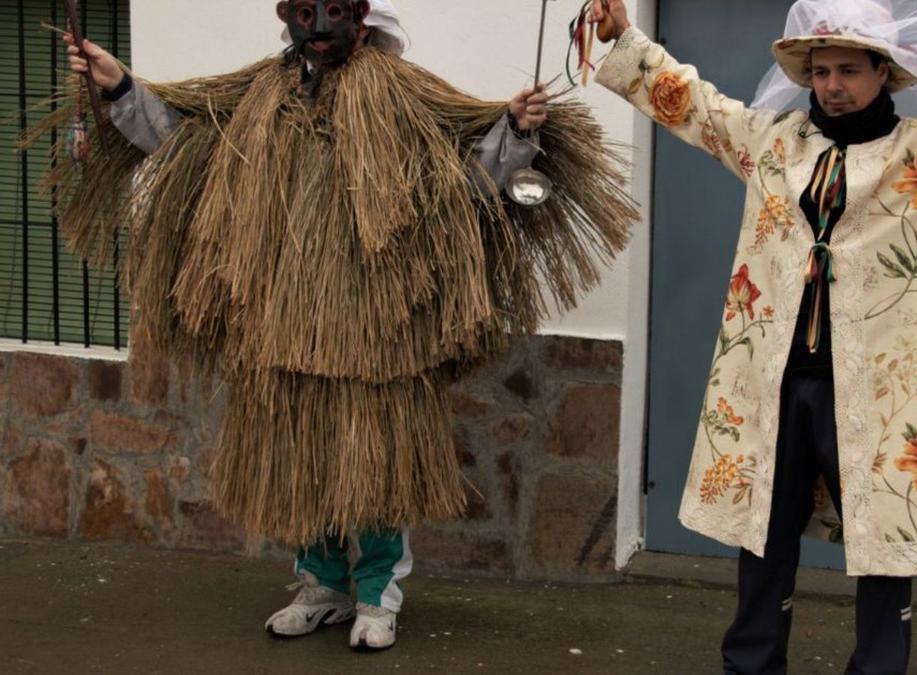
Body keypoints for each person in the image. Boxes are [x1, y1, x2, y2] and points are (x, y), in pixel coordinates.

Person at [45, 0, 637, 651]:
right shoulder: (260, 90)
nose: (319, 29)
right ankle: (321, 584)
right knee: (300, 456)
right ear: (288, 17)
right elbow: (181, 137)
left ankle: (379, 594)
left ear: (363, 20)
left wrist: (516, 132)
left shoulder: (403, 92)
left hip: (377, 329)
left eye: (335, 12)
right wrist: (119, 85)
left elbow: (465, 182)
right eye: (306, 11)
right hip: (281, 321)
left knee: (376, 460)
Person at [588, 0, 917, 672]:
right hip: (774, 381)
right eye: (820, 71)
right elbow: (695, 106)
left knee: (884, 546)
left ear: (886, 72)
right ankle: (751, 662)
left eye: (848, 69)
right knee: (763, 539)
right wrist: (625, 37)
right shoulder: (772, 144)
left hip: (879, 390)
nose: (832, 84)